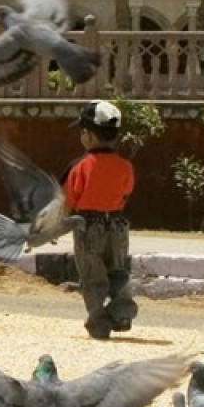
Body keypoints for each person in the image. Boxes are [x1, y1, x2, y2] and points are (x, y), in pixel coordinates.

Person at [64, 99, 138, 339]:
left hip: (89, 225)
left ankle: (98, 322)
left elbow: (70, 200)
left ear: (87, 135)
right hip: (117, 225)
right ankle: (122, 311)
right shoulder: (125, 166)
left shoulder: (81, 167)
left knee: (92, 276)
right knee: (118, 271)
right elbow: (125, 194)